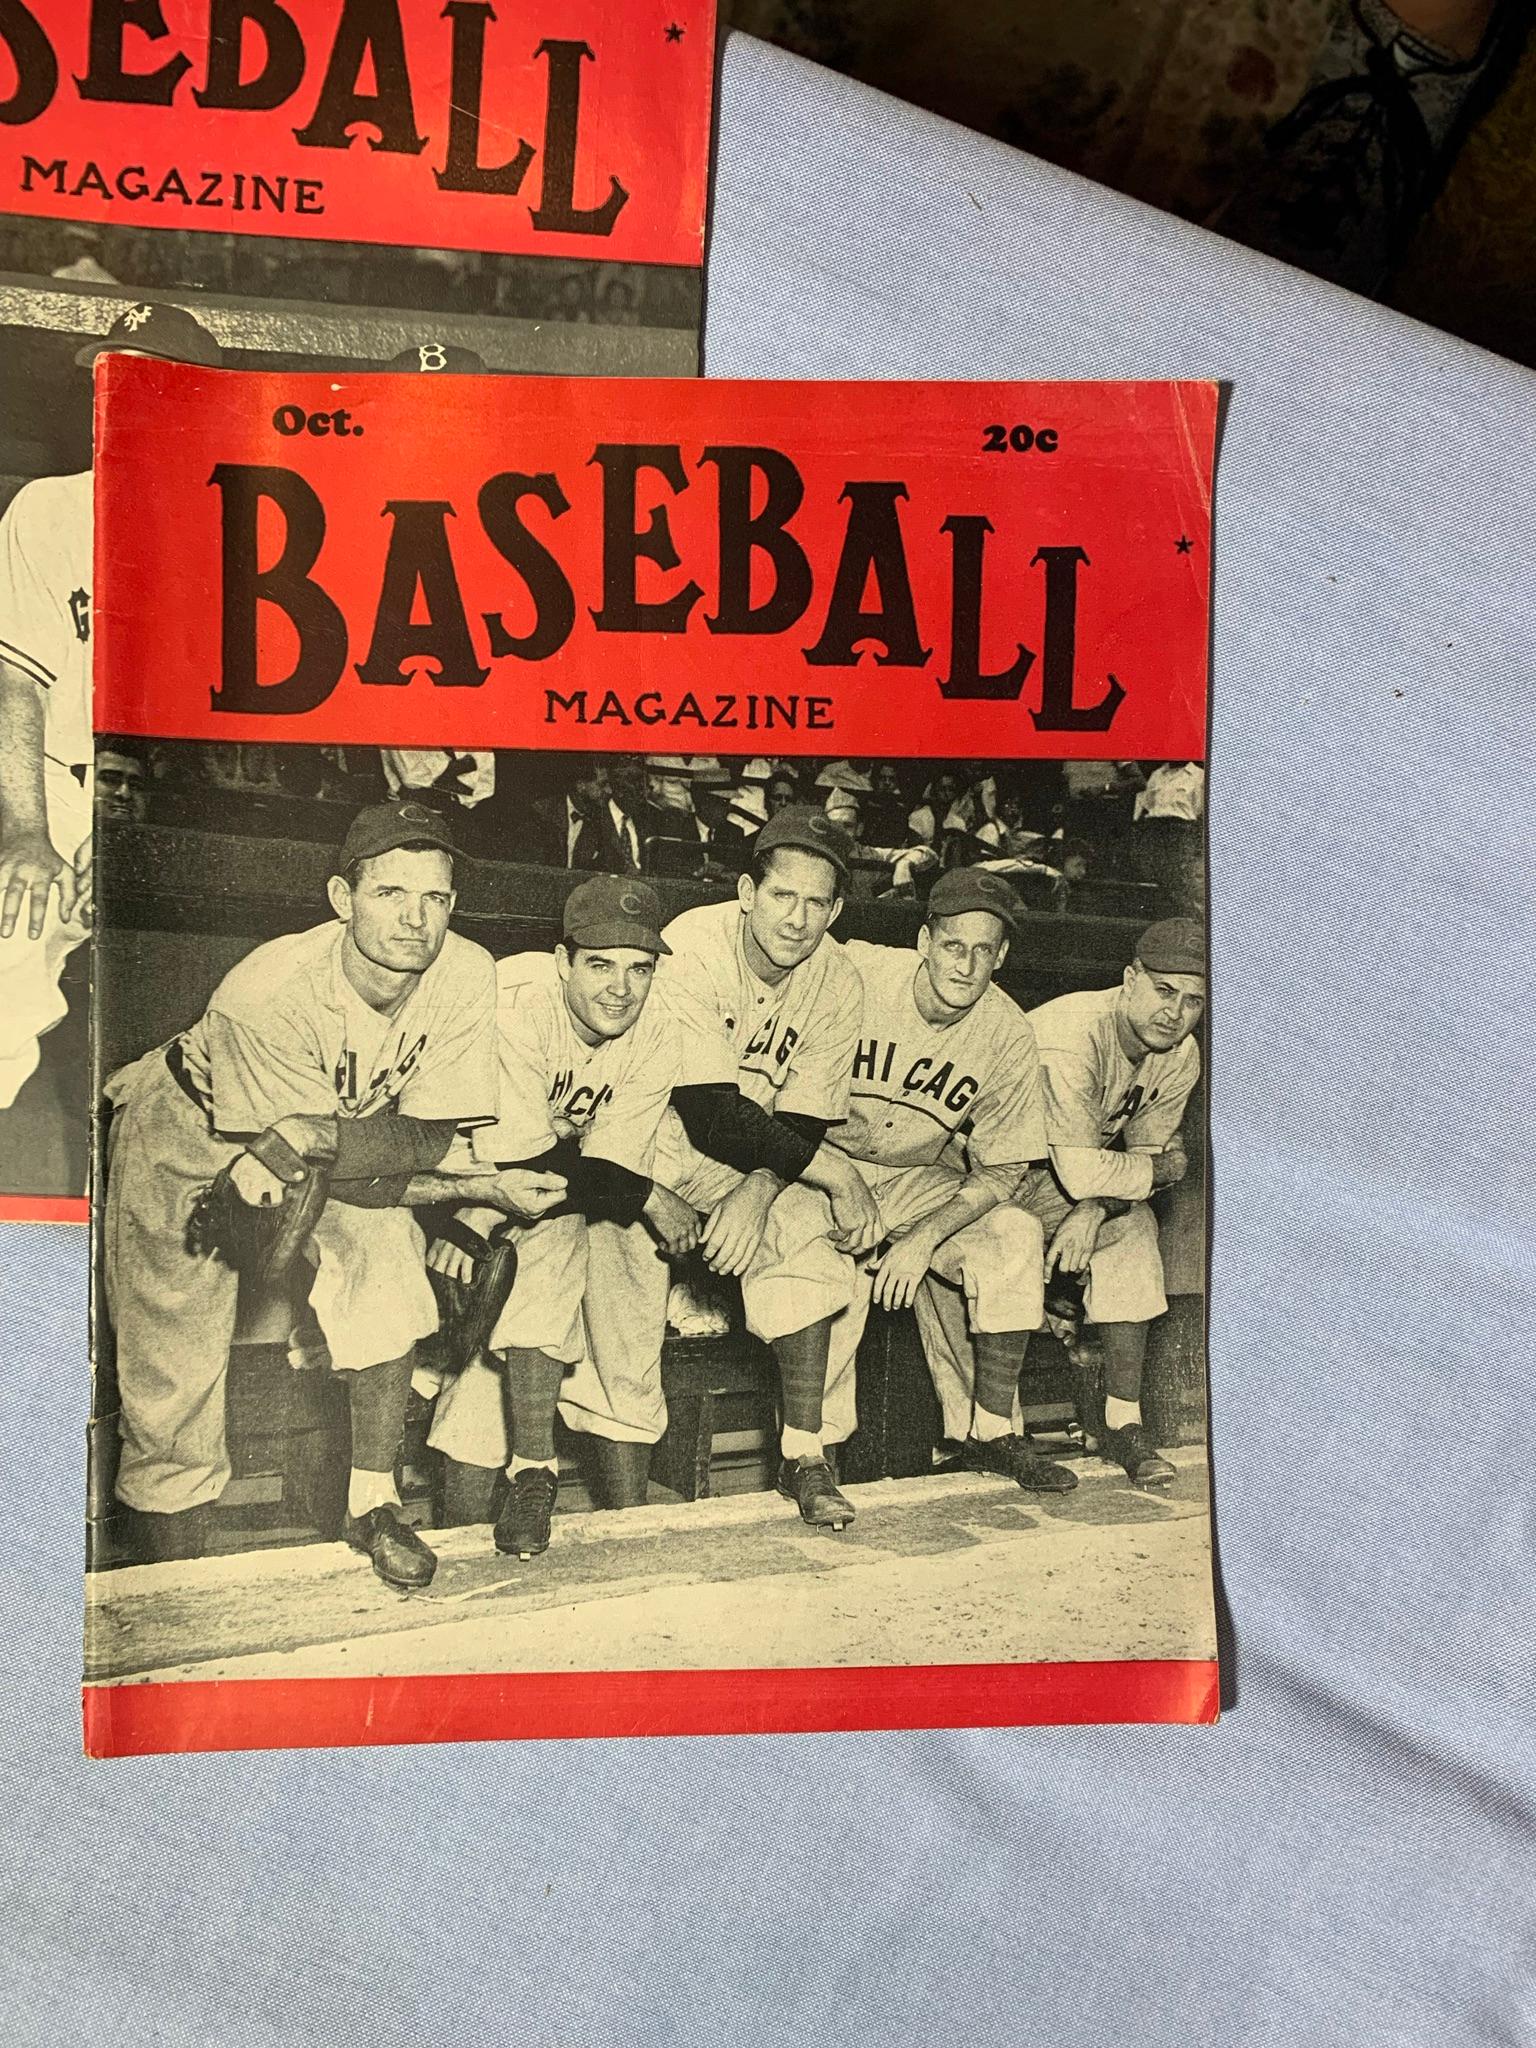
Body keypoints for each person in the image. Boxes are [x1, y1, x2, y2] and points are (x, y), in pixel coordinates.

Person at [100, 800, 565, 1582]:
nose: (417, 919)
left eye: (436, 898)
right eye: (391, 894)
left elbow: (423, 1132)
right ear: (342, 900)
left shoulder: (464, 970)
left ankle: (373, 1503)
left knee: (383, 1260)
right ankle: (167, 1589)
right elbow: (334, 1159)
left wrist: (338, 1142)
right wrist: (468, 1182)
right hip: (188, 1134)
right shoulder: (269, 991)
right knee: (173, 1381)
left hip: (331, 1140)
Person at [566, 807, 884, 1528]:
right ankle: (625, 1501)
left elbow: (803, 1116)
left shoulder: (837, 976)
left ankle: (805, 1456)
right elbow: (708, 1109)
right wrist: (830, 1171)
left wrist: (762, 1192)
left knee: (811, 1223)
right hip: (651, 1136)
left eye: (816, 903)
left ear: (835, 910)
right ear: (747, 891)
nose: (798, 919)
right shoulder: (694, 945)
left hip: (750, 1158)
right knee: (620, 1249)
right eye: (782, 896)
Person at [421, 876, 698, 1559]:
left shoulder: (658, 1030)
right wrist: (651, 1198)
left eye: (640, 969)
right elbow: (535, 1160)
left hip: (532, 1186)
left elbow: (599, 1168)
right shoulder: (516, 1004)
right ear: (561, 961)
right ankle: (520, 1473)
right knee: (548, 1241)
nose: (621, 988)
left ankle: (533, 1475)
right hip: (428, 1173)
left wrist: (625, 1192)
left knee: (563, 1246)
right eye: (600, 964)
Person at [0, 302, 221, 1149]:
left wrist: (133, 824)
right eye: (105, 382)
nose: (116, 401)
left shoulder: (240, 517)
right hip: (49, 784)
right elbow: (14, 684)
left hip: (172, 801)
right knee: (13, 962)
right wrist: (25, 831)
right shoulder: (52, 509)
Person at [816, 868, 1077, 1492]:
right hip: (822, 1164)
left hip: (917, 1177)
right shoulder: (854, 973)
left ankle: (990, 1432)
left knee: (1014, 1231)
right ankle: (812, 1454)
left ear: (1002, 956)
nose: (965, 966)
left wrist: (924, 1237)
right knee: (828, 1281)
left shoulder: (1008, 1030)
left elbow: (1005, 1167)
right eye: (954, 946)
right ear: (924, 940)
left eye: (983, 951)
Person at [921, 917, 1206, 1488]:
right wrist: (1135, 1179)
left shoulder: (1178, 1053)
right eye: (1163, 990)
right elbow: (1120, 1168)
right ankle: (989, 1435)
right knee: (1012, 1237)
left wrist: (1100, 1207)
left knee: (1133, 1230)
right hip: (963, 1177)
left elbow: (1131, 1173)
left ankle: (1121, 1423)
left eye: (1193, 1000)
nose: (1175, 1012)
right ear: (1130, 979)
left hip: (1051, 1185)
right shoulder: (1073, 1034)